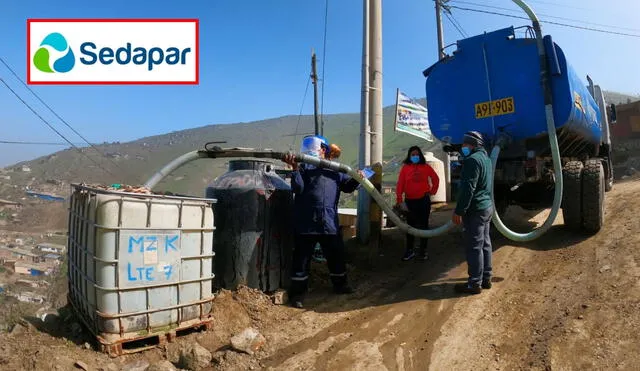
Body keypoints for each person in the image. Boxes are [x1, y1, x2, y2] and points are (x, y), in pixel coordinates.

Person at [283, 135, 361, 308]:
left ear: (324, 150)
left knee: (336, 256)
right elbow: (298, 188)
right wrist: (294, 169)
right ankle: (297, 294)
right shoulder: (303, 167)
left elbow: (347, 187)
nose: (311, 153)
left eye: (314, 149)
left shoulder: (335, 170)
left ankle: (340, 285)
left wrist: (358, 177)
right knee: (301, 260)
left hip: (328, 222)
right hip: (305, 222)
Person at [451, 131, 494, 294]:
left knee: (474, 246)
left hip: (475, 209)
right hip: (486, 207)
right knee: (485, 243)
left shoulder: (472, 160)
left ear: (472, 144)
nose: (463, 147)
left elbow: (468, 189)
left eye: (464, 144)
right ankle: (486, 278)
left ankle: (474, 283)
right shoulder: (486, 159)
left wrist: (459, 211)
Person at [395, 146, 440, 261]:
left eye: (417, 154)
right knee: (410, 227)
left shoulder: (426, 167)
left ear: (420, 155)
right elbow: (400, 184)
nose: (415, 156)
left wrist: (432, 191)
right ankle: (409, 251)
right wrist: (400, 200)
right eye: (412, 154)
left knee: (424, 225)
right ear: (409, 156)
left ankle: (423, 251)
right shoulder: (405, 168)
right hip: (410, 201)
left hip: (424, 201)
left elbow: (435, 178)